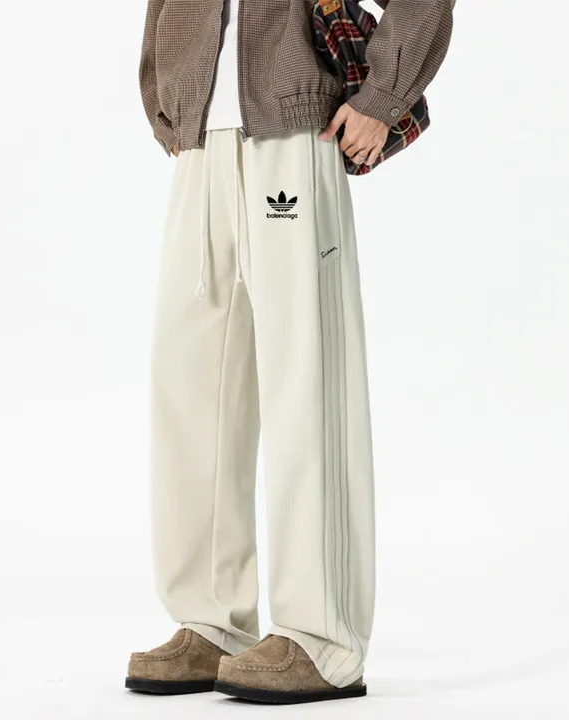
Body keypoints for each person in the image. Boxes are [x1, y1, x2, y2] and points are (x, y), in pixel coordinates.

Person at [126, 0, 454, 704]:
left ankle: (322, 636)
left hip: (295, 128)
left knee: (307, 379)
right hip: (200, 136)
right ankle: (212, 620)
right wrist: (164, 94)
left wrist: (382, 98)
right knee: (191, 386)